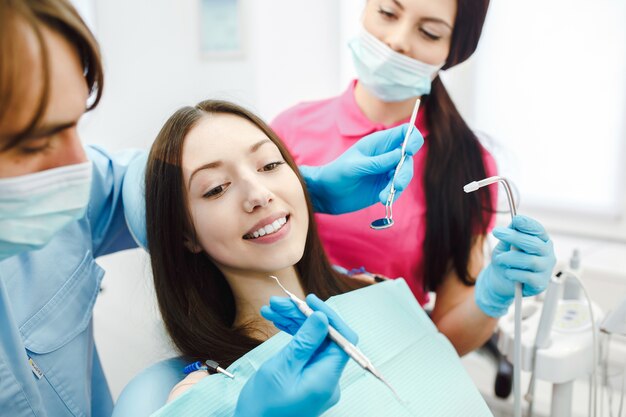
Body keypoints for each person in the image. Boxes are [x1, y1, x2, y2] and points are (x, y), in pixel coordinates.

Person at [0, 1, 423, 416]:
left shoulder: (377, 297)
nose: (79, 165)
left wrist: (306, 189)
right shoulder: (176, 395)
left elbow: (140, 186)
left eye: (272, 164)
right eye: (36, 143)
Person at [271, 0, 557, 355]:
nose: (396, 40)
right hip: (276, 350)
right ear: (364, 9)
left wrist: (493, 294)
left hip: (389, 364)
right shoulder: (289, 130)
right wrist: (308, 192)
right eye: (388, 13)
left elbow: (447, 339)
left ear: (453, 51)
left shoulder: (467, 164)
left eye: (429, 32)